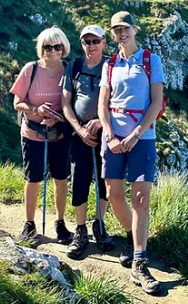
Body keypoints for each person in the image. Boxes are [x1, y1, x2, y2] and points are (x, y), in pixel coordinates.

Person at [98, 11, 165, 295]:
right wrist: (110, 136)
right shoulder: (110, 64)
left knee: (140, 198)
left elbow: (157, 102)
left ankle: (140, 261)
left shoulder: (151, 60)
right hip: (113, 137)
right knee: (113, 195)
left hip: (143, 137)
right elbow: (103, 104)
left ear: (135, 29)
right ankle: (131, 235)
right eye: (116, 30)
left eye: (125, 28)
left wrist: (137, 134)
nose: (121, 33)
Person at [10, 26, 74, 244]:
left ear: (63, 48)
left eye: (57, 46)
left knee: (60, 177)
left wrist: (58, 117)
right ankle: (29, 223)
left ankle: (60, 222)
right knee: (33, 177)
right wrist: (36, 110)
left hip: (60, 134)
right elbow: (17, 102)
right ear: (41, 48)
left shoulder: (69, 69)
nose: (52, 51)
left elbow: (74, 103)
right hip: (32, 133)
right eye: (47, 47)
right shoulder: (31, 69)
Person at [62, 24, 115, 257]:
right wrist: (79, 129)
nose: (91, 46)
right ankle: (81, 230)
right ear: (81, 43)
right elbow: (65, 103)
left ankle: (99, 225)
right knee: (80, 180)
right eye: (86, 42)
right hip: (79, 134)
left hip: (108, 133)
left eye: (95, 41)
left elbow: (119, 102)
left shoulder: (113, 67)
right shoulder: (73, 67)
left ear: (104, 43)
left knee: (106, 181)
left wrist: (101, 123)